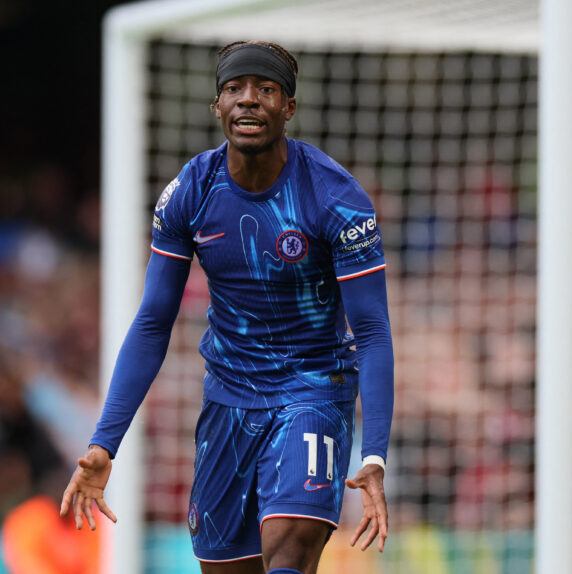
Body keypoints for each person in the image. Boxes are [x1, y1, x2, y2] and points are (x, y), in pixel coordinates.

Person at [60, 40, 394, 574]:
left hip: (314, 391)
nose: (248, 100)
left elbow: (373, 331)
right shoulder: (190, 192)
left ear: (288, 106)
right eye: (235, 89)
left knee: (288, 551)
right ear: (217, 105)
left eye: (266, 89)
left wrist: (374, 454)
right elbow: (152, 324)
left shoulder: (336, 198)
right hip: (229, 402)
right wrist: (105, 443)